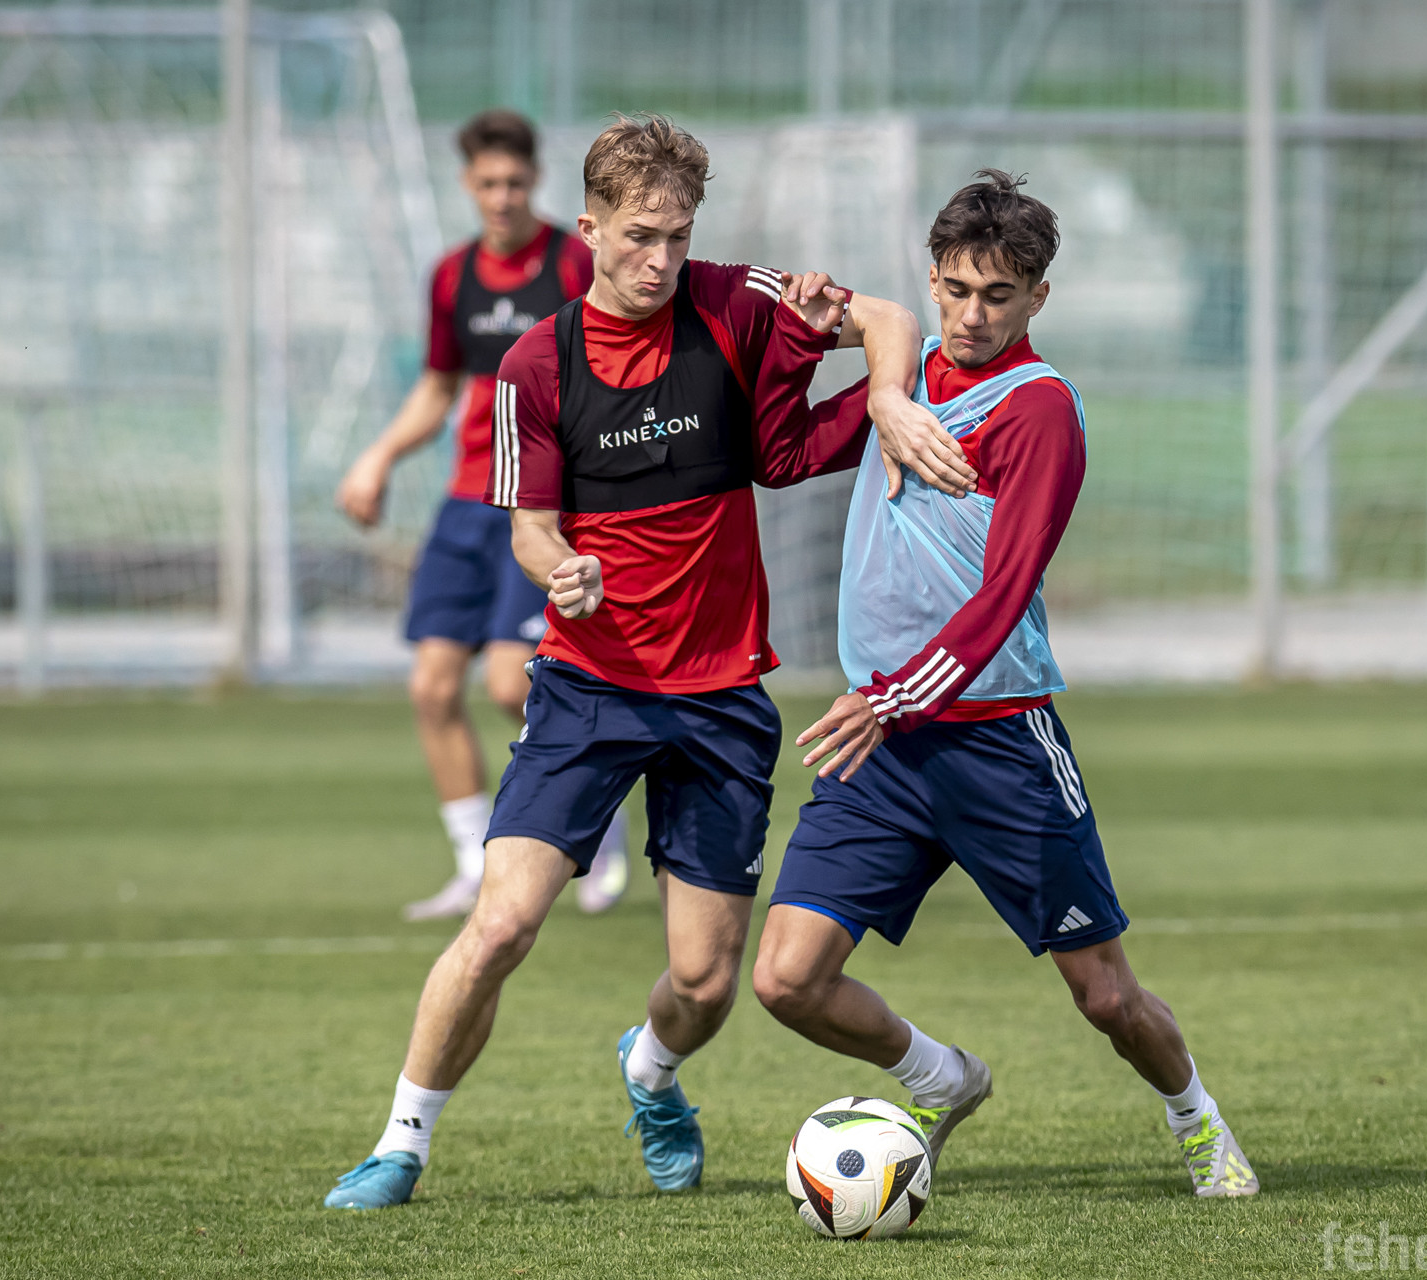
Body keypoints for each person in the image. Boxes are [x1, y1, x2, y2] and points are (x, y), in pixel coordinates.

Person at [323, 114, 969, 1210]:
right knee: (501, 923)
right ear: (588, 229)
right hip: (590, 688)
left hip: (721, 699)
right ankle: (401, 1143)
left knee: (706, 983)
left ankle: (653, 1071)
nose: (660, 260)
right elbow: (531, 530)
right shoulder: (538, 363)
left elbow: (893, 316)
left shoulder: (730, 298)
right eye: (638, 236)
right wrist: (561, 568)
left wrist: (889, 394)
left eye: (677, 236)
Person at [750, 171, 1260, 1199]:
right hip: (884, 747)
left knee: (1106, 998)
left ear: (1038, 297)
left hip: (997, 746)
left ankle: (1195, 1118)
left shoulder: (1039, 409)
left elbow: (1002, 596)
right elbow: (781, 452)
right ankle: (941, 1077)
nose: (971, 315)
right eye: (953, 290)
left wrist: (889, 695)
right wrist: (820, 348)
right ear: (932, 281)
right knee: (785, 979)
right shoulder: (906, 386)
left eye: (997, 295)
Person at [335, 109, 630, 920]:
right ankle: (473, 862)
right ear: (468, 185)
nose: (502, 197)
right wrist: (378, 457)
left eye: (515, 183)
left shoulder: (572, 263)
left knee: (510, 683)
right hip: (466, 500)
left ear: (535, 181)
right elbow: (439, 387)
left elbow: (608, 369)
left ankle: (597, 822)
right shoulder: (451, 277)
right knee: (432, 687)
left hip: (539, 504)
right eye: (488, 183)